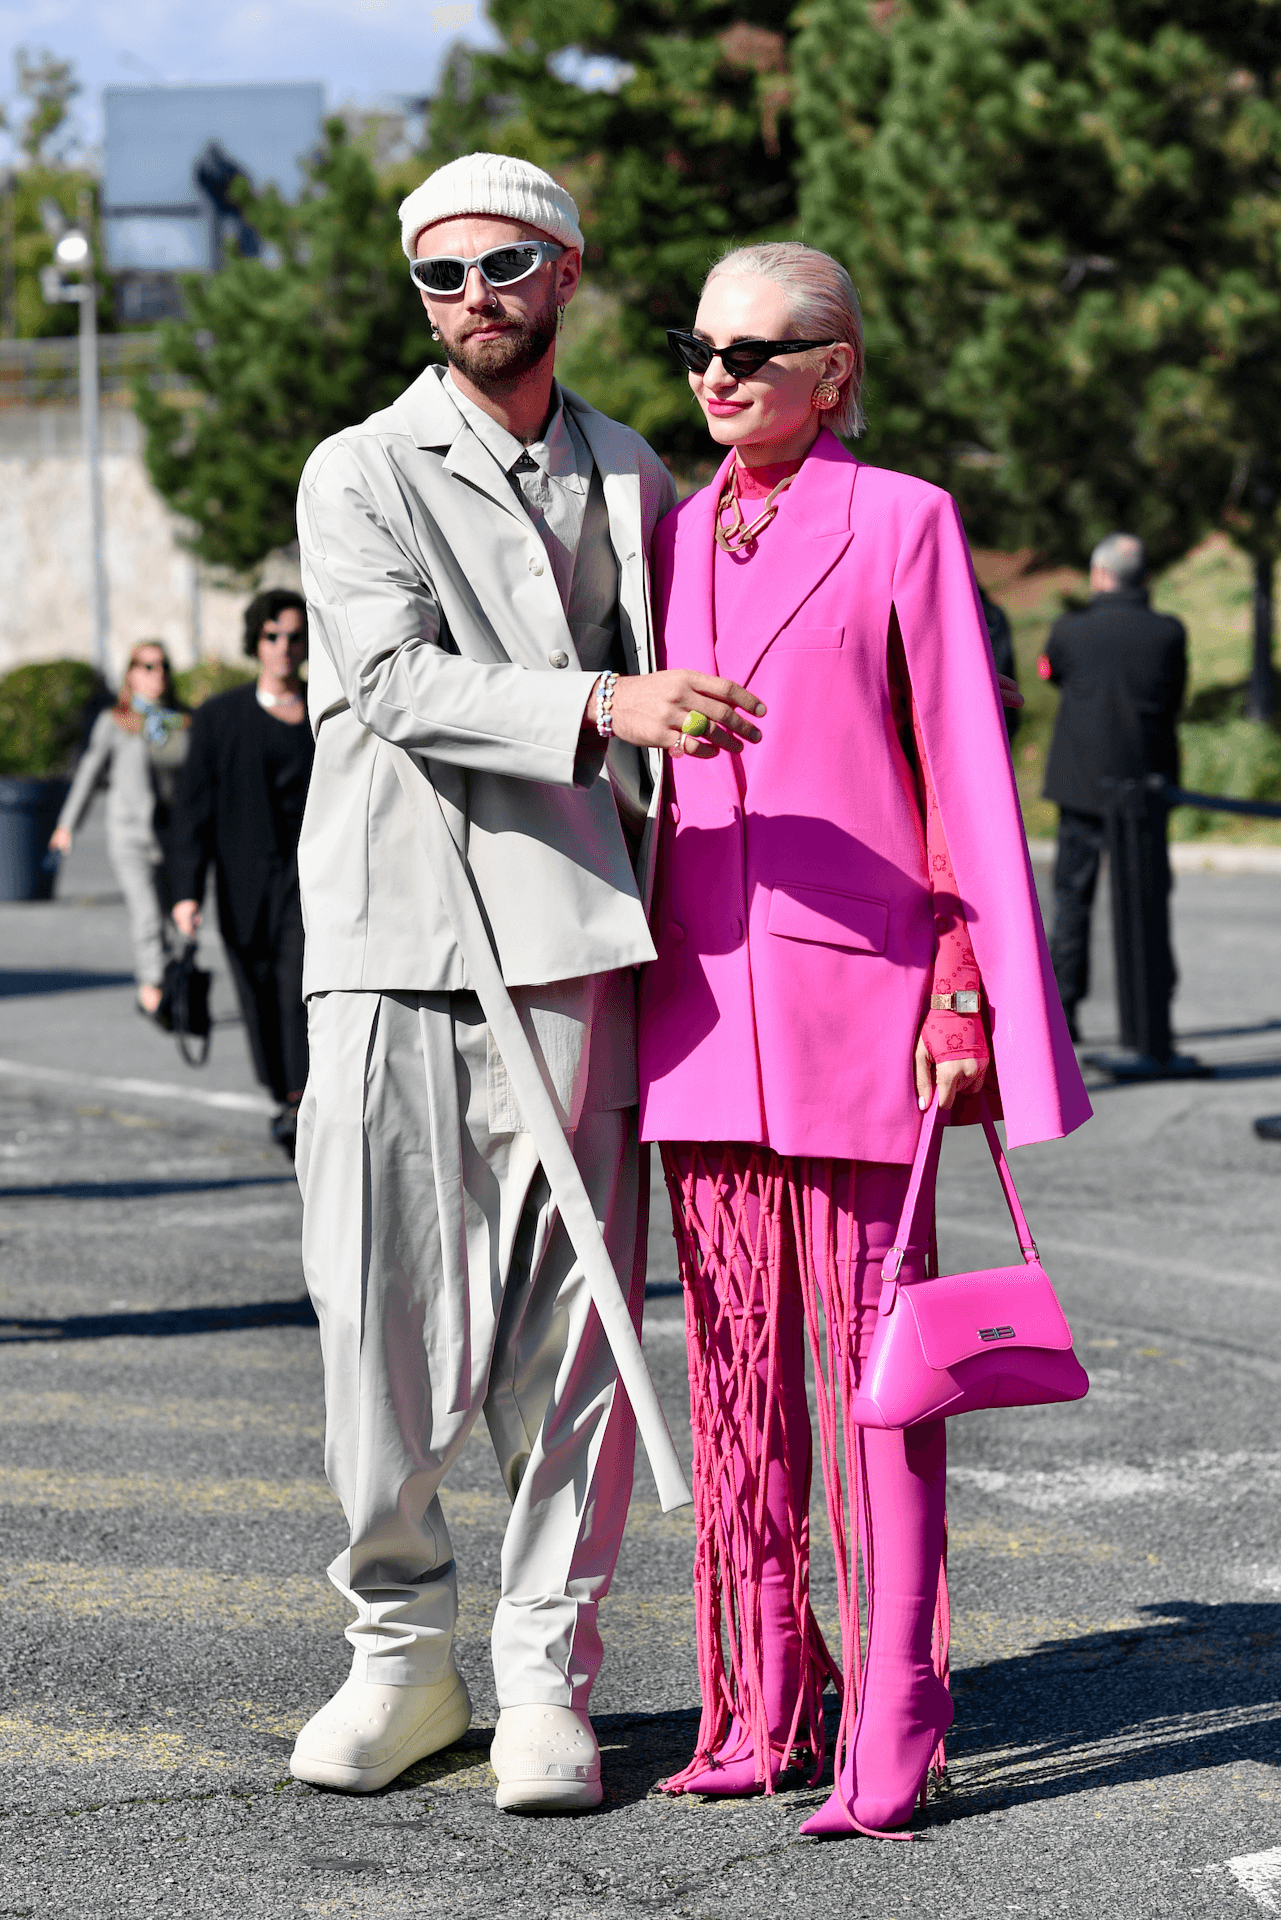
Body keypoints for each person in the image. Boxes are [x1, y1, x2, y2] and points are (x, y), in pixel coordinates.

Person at [286, 153, 758, 1810]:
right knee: (380, 1329)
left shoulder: (634, 475)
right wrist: (603, 711)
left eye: (501, 265)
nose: (471, 297)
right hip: (393, 949)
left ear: (565, 269)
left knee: (573, 1333)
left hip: (574, 945)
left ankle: (547, 1667)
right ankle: (396, 1662)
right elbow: (398, 682)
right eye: (439, 275)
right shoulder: (358, 473)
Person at [636, 242, 1091, 1837]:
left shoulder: (902, 518)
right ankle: (764, 1695)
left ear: (834, 369)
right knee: (740, 1381)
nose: (717, 374)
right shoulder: (671, 536)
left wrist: (961, 976)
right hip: (693, 1007)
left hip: (863, 1008)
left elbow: (961, 759)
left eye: (755, 350)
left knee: (884, 1383)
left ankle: (901, 1702)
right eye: (698, 345)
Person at [170, 590, 314, 1150]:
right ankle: (280, 1093)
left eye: (294, 637)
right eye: (272, 636)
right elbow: (191, 811)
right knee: (255, 988)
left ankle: (303, 1097)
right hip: (244, 883)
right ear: (255, 642)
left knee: (296, 984)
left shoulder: (329, 707)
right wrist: (185, 893)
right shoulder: (218, 718)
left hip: (309, 880)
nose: (284, 648)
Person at [1040, 533, 1187, 1043]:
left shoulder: (1069, 631)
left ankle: (1066, 1009)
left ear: (1099, 576)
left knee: (1073, 899)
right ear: (1145, 578)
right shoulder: (1168, 633)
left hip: (1081, 784)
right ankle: (1152, 1009)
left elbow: (1052, 673)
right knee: (1147, 898)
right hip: (1146, 788)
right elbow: (1174, 698)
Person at [49, 640, 190, 1018]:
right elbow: (89, 774)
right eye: (146, 666)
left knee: (171, 921)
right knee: (146, 916)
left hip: (171, 838)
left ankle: (167, 982)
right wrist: (67, 825)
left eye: (162, 666)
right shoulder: (116, 722)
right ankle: (152, 990)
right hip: (129, 836)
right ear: (131, 673)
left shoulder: (180, 722)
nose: (155, 673)